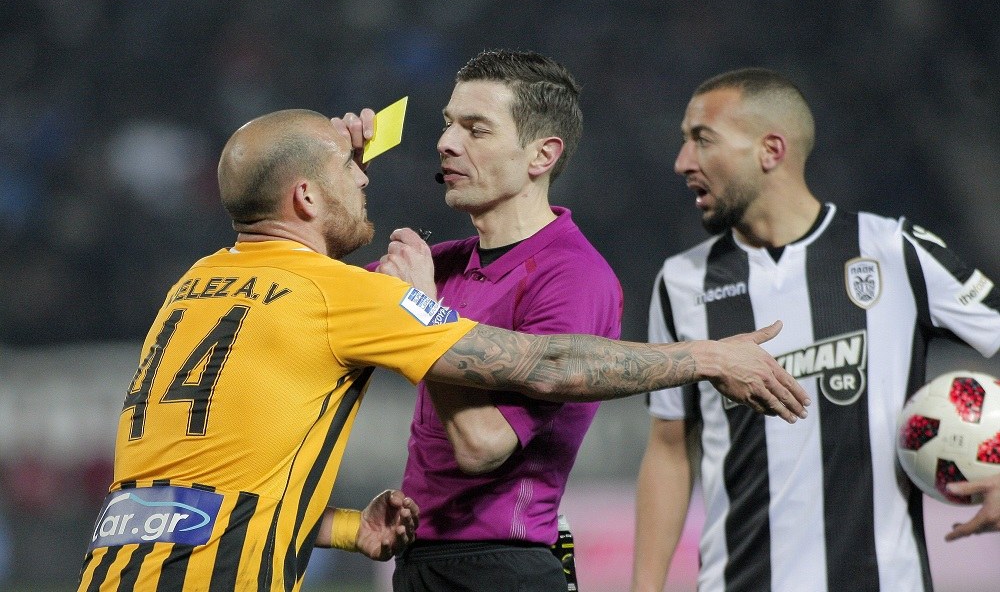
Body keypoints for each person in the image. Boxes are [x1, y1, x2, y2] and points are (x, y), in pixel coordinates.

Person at [77, 108, 809, 591]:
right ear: (306, 198)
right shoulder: (343, 295)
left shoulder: (195, 287)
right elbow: (545, 364)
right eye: (350, 170)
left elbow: (208, 485)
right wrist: (708, 358)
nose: (365, 176)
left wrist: (344, 528)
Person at [630, 67, 1000, 592]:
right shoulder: (682, 281)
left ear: (771, 150)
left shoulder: (893, 251)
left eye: (702, 139)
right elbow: (669, 448)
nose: (683, 161)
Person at [362, 49, 622, 590]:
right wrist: (331, 170)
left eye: (476, 129)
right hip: (420, 561)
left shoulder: (574, 278)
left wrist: (422, 310)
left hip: (502, 567)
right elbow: (301, 295)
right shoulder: (442, 266)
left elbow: (483, 446)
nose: (446, 142)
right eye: (448, 123)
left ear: (541, 155)